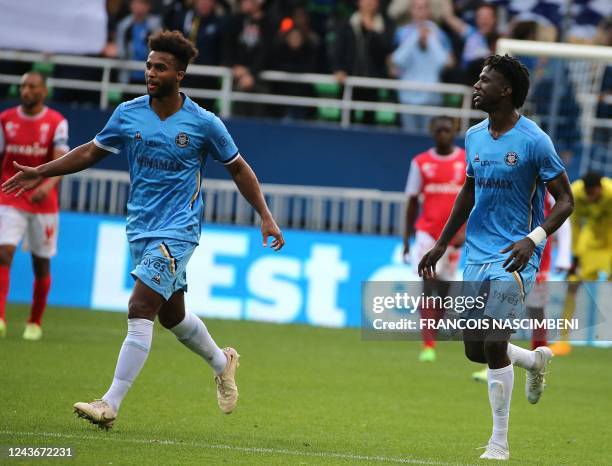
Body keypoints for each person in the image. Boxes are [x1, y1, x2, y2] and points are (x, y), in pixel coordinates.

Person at [2, 30, 285, 429]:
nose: (151, 73)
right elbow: (89, 151)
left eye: (161, 68)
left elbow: (239, 168)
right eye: (149, 65)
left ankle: (109, 403)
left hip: (179, 230)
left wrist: (266, 215)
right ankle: (223, 362)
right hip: (140, 228)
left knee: (140, 308)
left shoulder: (204, 123)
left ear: (180, 75)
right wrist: (41, 172)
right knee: (172, 316)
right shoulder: (128, 113)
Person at [418, 54, 574, 460]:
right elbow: (468, 193)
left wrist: (533, 238)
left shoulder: (535, 141)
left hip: (515, 256)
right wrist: (441, 242)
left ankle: (499, 442)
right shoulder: (473, 137)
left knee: (492, 341)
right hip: (476, 253)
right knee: (475, 348)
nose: (476, 86)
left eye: (484, 81)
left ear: (505, 91)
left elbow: (566, 201)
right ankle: (534, 360)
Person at [471, 192, 572, 382]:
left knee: (536, 311)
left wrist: (564, 256)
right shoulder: (506, 180)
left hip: (536, 259)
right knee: (495, 311)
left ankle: (539, 358)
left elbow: (563, 218)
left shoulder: (546, 185)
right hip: (504, 256)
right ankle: (495, 362)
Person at [0, 71, 69, 340]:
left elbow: (61, 160)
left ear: (43, 91)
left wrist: (46, 186)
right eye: (22, 86)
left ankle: (34, 321)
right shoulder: (6, 120)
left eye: (31, 86)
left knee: (41, 264)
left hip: (43, 202)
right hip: (10, 195)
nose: (25, 90)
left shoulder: (56, 122)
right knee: (4, 252)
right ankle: (1, 317)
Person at [402, 116, 466, 361]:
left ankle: (433, 335)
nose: (442, 133)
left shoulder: (465, 161)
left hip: (454, 237)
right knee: (428, 285)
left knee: (445, 288)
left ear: (454, 131)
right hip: (427, 234)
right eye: (438, 129)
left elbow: (474, 200)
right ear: (431, 131)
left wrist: (465, 230)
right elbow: (411, 200)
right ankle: (428, 345)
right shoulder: (421, 162)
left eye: (446, 129)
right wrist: (407, 238)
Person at [549, 172, 612, 356]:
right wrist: (573, 256)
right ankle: (563, 340)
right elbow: (573, 225)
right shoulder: (575, 192)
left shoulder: (610, 192)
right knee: (573, 284)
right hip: (590, 243)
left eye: (594, 193)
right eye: (589, 193)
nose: (591, 197)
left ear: (600, 188)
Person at [391, 0, 452, 133]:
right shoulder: (402, 32)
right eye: (417, 8)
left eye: (423, 8)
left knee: (428, 141)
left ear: (429, 11)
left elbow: (444, 62)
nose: (420, 12)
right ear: (411, 11)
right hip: (407, 96)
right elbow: (397, 60)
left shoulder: (439, 34)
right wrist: (415, 36)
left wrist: (430, 38)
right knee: (408, 140)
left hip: (431, 97)